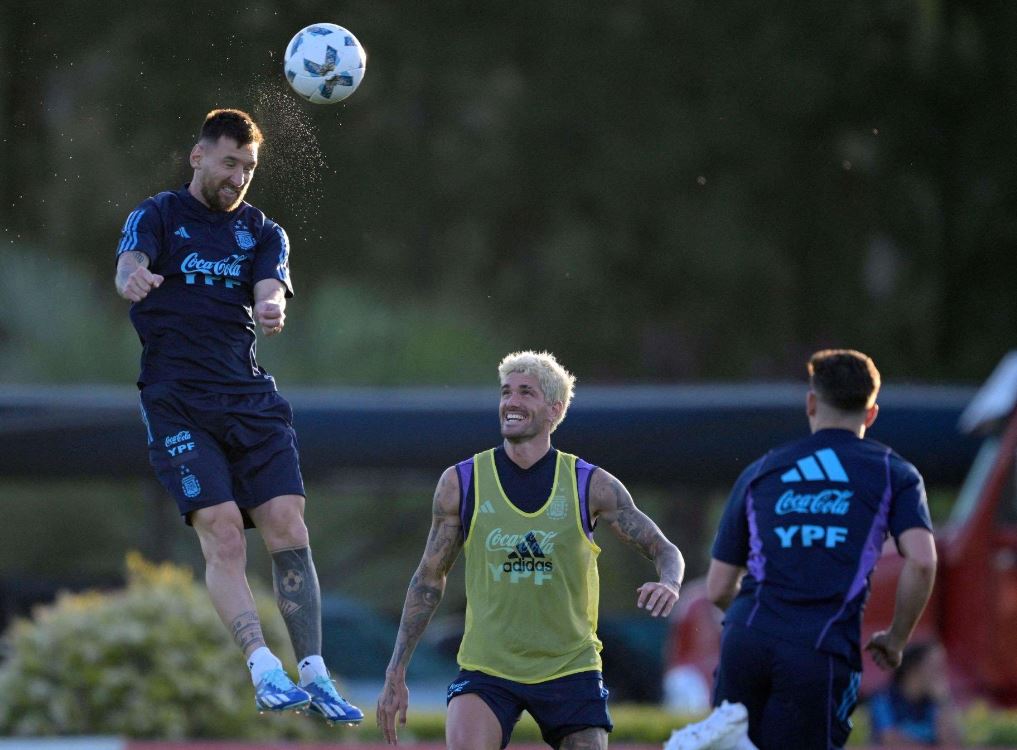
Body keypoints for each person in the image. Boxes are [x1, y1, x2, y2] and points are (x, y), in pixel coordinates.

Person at [113, 108, 362, 725]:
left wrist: (271, 305)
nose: (238, 177)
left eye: (248, 168)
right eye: (229, 163)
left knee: (288, 526)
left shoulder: (263, 232)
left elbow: (271, 286)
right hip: (177, 402)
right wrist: (134, 276)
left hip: (249, 401)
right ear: (198, 157)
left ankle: (314, 673)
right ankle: (263, 668)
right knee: (223, 528)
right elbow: (126, 267)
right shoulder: (158, 215)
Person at [375, 350, 685, 750]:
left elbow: (664, 548)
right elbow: (428, 580)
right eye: (506, 392)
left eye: (526, 392)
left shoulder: (589, 485)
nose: (512, 402)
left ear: (554, 410)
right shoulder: (462, 482)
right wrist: (396, 671)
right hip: (489, 668)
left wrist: (670, 582)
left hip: (570, 666)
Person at [704, 349, 937, 750]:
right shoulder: (893, 472)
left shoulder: (761, 470)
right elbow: (922, 560)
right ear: (871, 413)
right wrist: (896, 639)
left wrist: (760, 623)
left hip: (746, 639)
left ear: (811, 402)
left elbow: (718, 586)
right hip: (819, 649)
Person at [869, 640, 962, 746]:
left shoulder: (936, 701)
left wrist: (944, 702)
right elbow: (890, 741)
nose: (940, 675)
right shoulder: (884, 698)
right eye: (935, 667)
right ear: (913, 669)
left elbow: (952, 744)